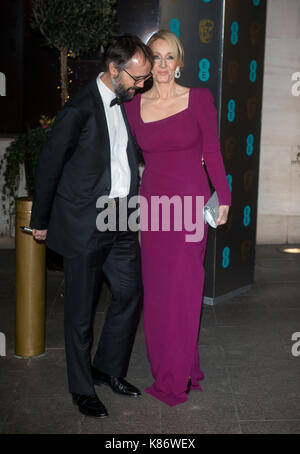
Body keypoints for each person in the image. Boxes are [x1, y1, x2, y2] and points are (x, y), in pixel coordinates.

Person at [30, 35, 153, 418]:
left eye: (145, 78)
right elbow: (50, 165)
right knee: (81, 313)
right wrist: (41, 221)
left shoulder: (126, 104)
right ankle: (82, 388)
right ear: (114, 70)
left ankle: (107, 368)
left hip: (120, 218)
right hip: (85, 222)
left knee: (130, 292)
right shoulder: (79, 109)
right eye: (137, 78)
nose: (142, 85)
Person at [124, 30, 231, 406]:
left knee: (183, 291)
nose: (164, 65)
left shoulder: (199, 99)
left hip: (189, 206)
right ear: (147, 62)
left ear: (180, 61)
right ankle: (176, 366)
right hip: (153, 207)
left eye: (170, 57)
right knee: (157, 294)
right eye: (156, 57)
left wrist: (225, 196)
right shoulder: (132, 107)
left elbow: (213, 152)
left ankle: (176, 376)